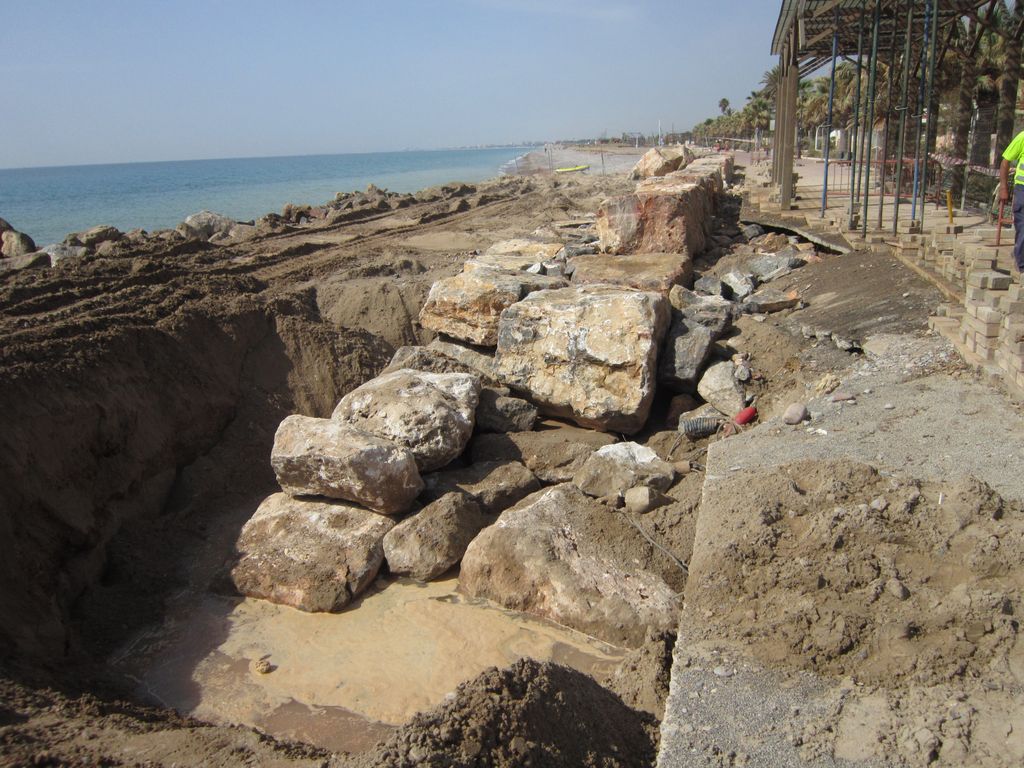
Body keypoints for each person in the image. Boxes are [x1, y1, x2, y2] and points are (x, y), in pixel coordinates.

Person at [998, 130, 1024, 273]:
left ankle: (1019, 253)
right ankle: (1022, 265)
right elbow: (1005, 162)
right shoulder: (1022, 137)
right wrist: (1003, 187)